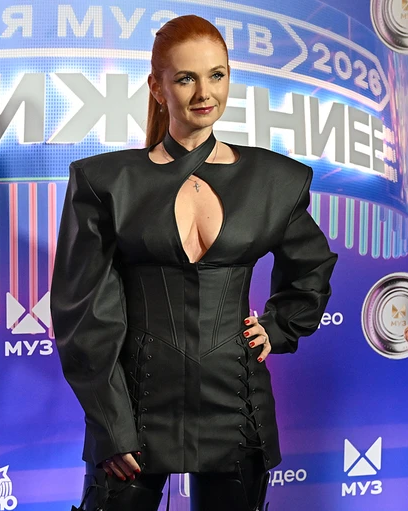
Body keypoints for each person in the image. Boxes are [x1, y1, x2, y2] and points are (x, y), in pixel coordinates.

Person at [50, 14, 338, 511]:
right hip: (134, 408)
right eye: (186, 78)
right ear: (157, 88)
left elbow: (311, 266)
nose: (205, 93)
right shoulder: (105, 182)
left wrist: (280, 326)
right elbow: (83, 318)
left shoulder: (274, 179)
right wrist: (111, 424)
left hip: (236, 404)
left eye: (216, 75)